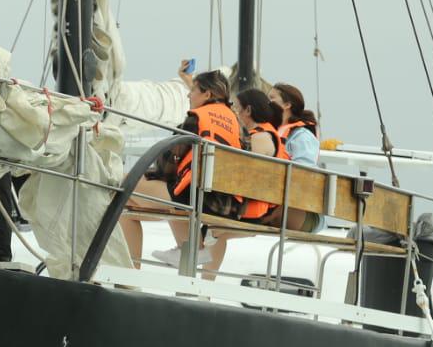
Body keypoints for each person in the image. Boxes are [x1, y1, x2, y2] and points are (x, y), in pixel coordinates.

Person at [123, 69, 239, 268]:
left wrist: (150, 174)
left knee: (123, 183)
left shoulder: (196, 118)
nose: (188, 94)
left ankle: (189, 250)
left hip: (196, 197)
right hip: (224, 200)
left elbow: (170, 160)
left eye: (193, 89)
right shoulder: (234, 121)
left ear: (207, 94)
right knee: (126, 210)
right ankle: (185, 249)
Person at [196, 88, 289, 278]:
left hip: (254, 210)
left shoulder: (259, 137)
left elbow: (241, 174)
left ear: (247, 110)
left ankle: (195, 266)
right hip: (257, 207)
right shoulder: (264, 133)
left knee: (202, 215)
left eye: (236, 108)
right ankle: (204, 281)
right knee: (212, 228)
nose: (234, 113)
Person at [268, 82, 320, 166]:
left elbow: (305, 170)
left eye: (271, 98)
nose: (267, 102)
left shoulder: (302, 136)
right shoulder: (270, 130)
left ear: (287, 105)